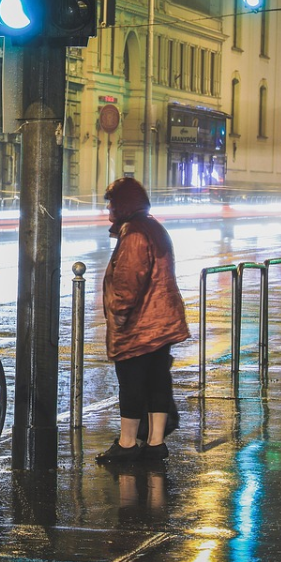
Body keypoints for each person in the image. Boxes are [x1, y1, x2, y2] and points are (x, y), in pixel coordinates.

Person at [96, 177, 190, 464]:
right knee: (158, 381)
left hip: (141, 325)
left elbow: (127, 282)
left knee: (132, 383)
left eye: (112, 203)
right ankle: (155, 443)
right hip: (162, 322)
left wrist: (119, 316)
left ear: (124, 204)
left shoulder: (135, 234)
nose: (109, 209)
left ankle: (127, 444)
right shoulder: (154, 227)